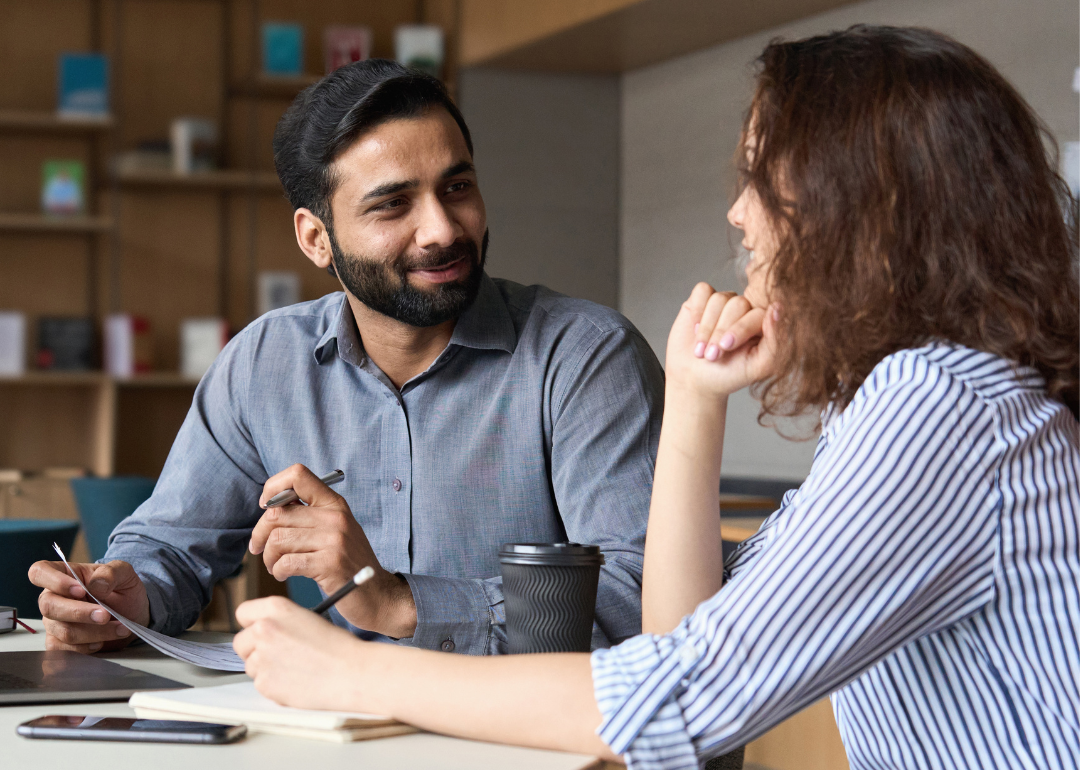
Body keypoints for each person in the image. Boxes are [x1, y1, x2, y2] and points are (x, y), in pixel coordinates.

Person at [228, 25, 1080, 770]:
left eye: (760, 176)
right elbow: (681, 637)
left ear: (857, 202)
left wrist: (354, 669)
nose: (740, 215)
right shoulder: (916, 399)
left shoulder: (940, 406)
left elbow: (678, 702)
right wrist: (698, 402)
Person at [29, 61, 664, 657]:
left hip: (545, 739)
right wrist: (124, 594)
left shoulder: (585, 356)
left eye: (458, 187)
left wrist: (401, 604)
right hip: (346, 731)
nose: (443, 228)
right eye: (393, 204)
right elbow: (172, 542)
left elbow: (648, 600)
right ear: (316, 238)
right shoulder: (266, 362)